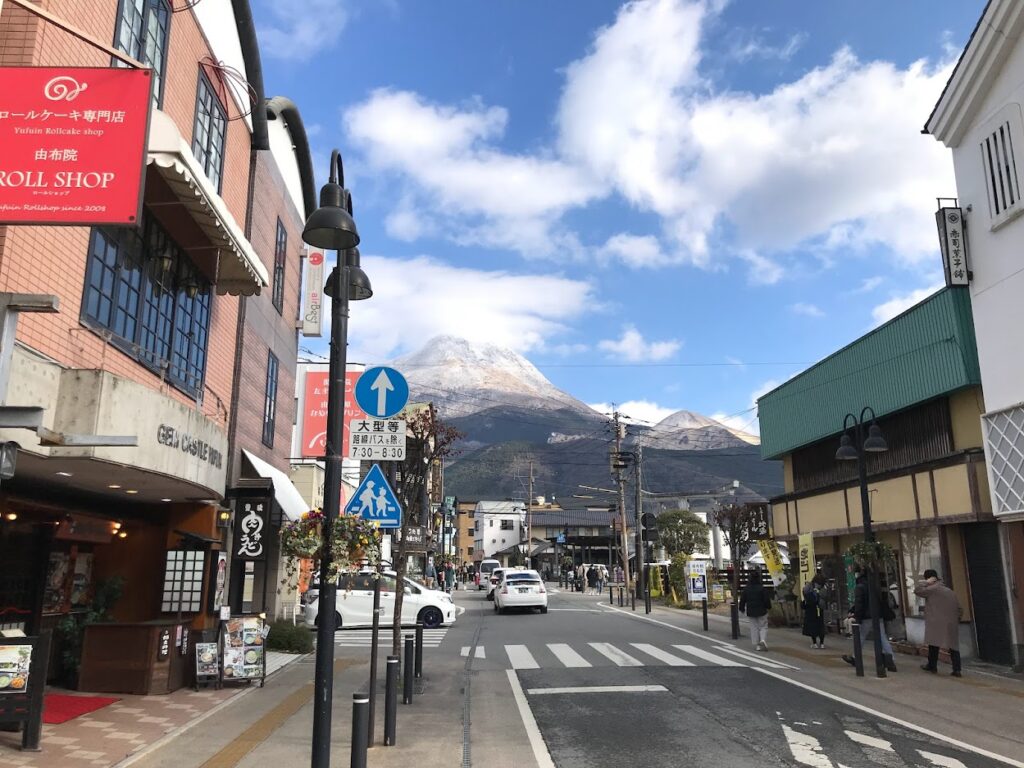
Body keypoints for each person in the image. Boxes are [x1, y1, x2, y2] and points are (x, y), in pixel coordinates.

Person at [842, 570, 898, 672]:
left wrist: (857, 616)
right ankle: (891, 659)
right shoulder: (874, 584)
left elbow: (859, 603)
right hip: (878, 614)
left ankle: (855, 657)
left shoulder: (860, 587)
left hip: (866, 616)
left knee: (861, 636)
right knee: (882, 636)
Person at [915, 569, 963, 677]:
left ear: (929, 578)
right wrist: (957, 619)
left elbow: (917, 590)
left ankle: (932, 666)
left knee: (933, 644)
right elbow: (959, 608)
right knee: (953, 646)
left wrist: (926, 583)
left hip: (935, 622)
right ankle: (957, 669)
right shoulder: (949, 591)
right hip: (951, 623)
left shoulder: (931, 589)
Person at [739, 567, 772, 651]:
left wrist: (741, 608)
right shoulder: (762, 588)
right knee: (763, 626)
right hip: (761, 610)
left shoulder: (747, 589)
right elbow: (766, 600)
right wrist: (768, 607)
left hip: (751, 611)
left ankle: (757, 645)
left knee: (754, 628)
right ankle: (763, 640)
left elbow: (743, 599)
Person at [801, 580, 826, 649]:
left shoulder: (808, 595)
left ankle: (814, 643)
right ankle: (822, 643)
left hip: (811, 613)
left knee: (813, 628)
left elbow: (804, 605)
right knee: (820, 627)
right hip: (819, 612)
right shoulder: (821, 592)